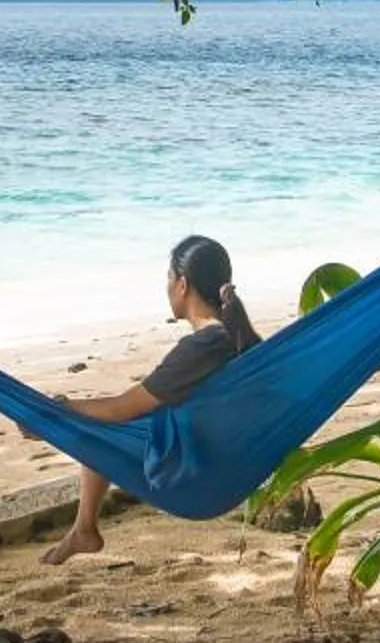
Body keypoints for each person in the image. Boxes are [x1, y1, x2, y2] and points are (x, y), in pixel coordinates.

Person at [36, 234, 262, 565]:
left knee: (94, 427)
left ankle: (84, 529)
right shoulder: (237, 337)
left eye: (168, 278)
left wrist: (53, 414)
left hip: (192, 469)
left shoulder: (203, 346)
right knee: (107, 425)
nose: (167, 287)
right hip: (226, 461)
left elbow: (121, 408)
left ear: (182, 284)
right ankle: (82, 530)